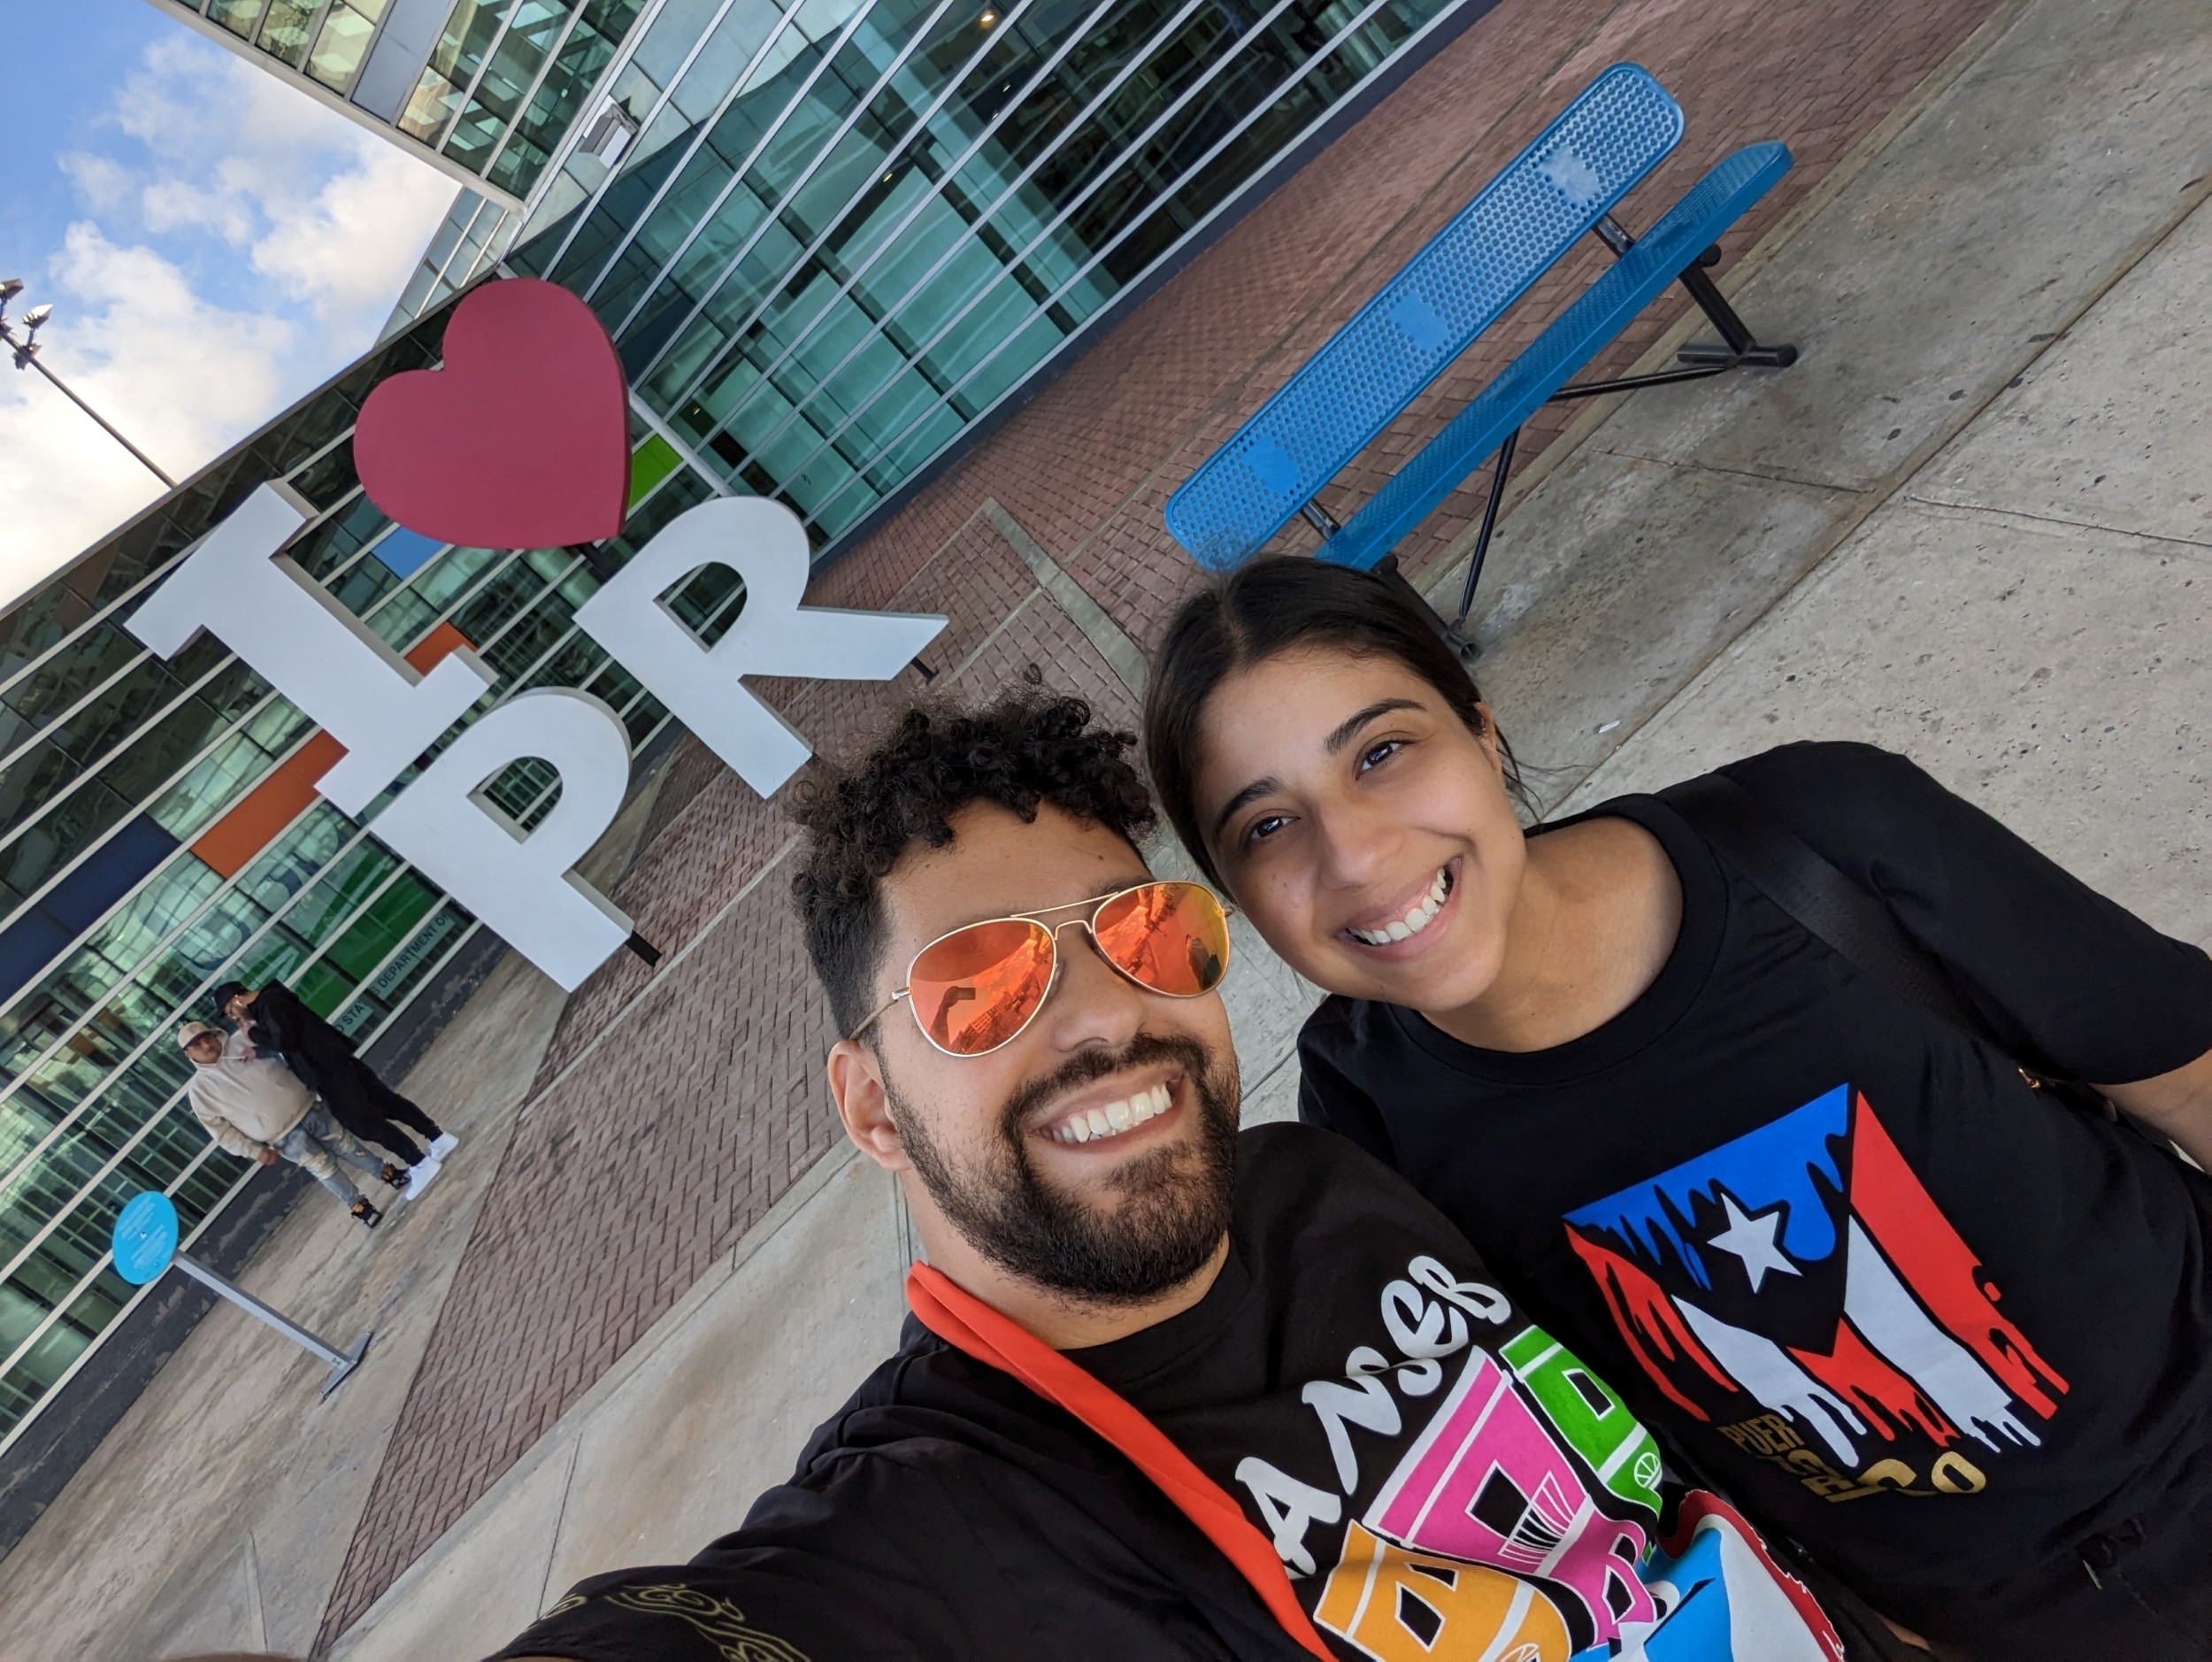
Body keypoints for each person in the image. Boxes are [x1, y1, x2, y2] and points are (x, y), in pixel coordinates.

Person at [495, 693, 1881, 1662]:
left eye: (1143, 929)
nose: (1106, 1017)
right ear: (870, 1103)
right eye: (979, 984)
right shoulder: (948, 1519)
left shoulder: (1330, 1173)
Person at [1140, 555, 2212, 1658]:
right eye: (1266, 827)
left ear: (1481, 727)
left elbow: (2187, 1073)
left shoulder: (1818, 834)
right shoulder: (1365, 1117)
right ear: (1237, 897)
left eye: (1382, 752)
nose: (1354, 852)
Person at [211, 980, 456, 1196]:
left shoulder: (269, 1007)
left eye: (230, 1011)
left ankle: (419, 1163)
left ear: (236, 999)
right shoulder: (273, 1001)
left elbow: (286, 1041)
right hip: (336, 1060)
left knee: (365, 1122)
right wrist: (258, 1048)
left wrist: (253, 1033)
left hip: (327, 1071)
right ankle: (437, 1137)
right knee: (387, 1103)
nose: (234, 1017)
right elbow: (289, 1036)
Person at [178, 1020, 401, 1228]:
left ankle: (387, 1173)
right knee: (322, 1167)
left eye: (207, 1037)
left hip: (309, 1107)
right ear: (188, 1054)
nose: (206, 1045)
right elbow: (222, 1132)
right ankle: (359, 1206)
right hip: (282, 1136)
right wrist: (254, 1151)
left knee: (347, 1145)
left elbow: (282, 1044)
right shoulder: (200, 1092)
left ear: (215, 1034)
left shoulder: (244, 1040)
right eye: (197, 1045)